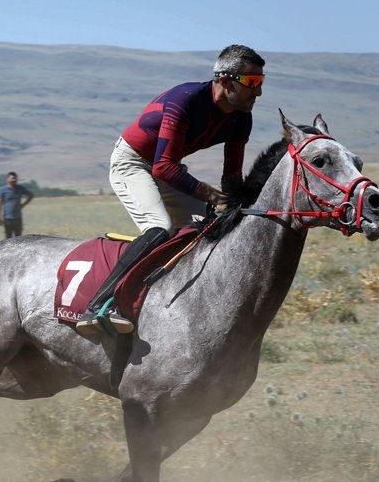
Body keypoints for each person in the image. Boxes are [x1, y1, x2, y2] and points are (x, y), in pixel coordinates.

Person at [75, 44, 265, 335]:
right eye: (252, 82)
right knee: (159, 227)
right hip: (133, 162)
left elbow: (231, 177)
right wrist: (211, 196)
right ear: (226, 81)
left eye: (261, 82)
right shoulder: (186, 100)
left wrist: (238, 204)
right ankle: (99, 305)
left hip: (167, 167)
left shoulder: (241, 118)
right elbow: (163, 167)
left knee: (205, 227)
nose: (258, 92)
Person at [0, 171, 33, 239]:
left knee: (19, 238)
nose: (14, 180)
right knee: (8, 239)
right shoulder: (2, 190)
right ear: (7, 179)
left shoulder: (20, 188)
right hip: (7, 218)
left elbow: (31, 195)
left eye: (15, 178)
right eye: (12, 178)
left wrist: (23, 204)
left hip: (18, 218)